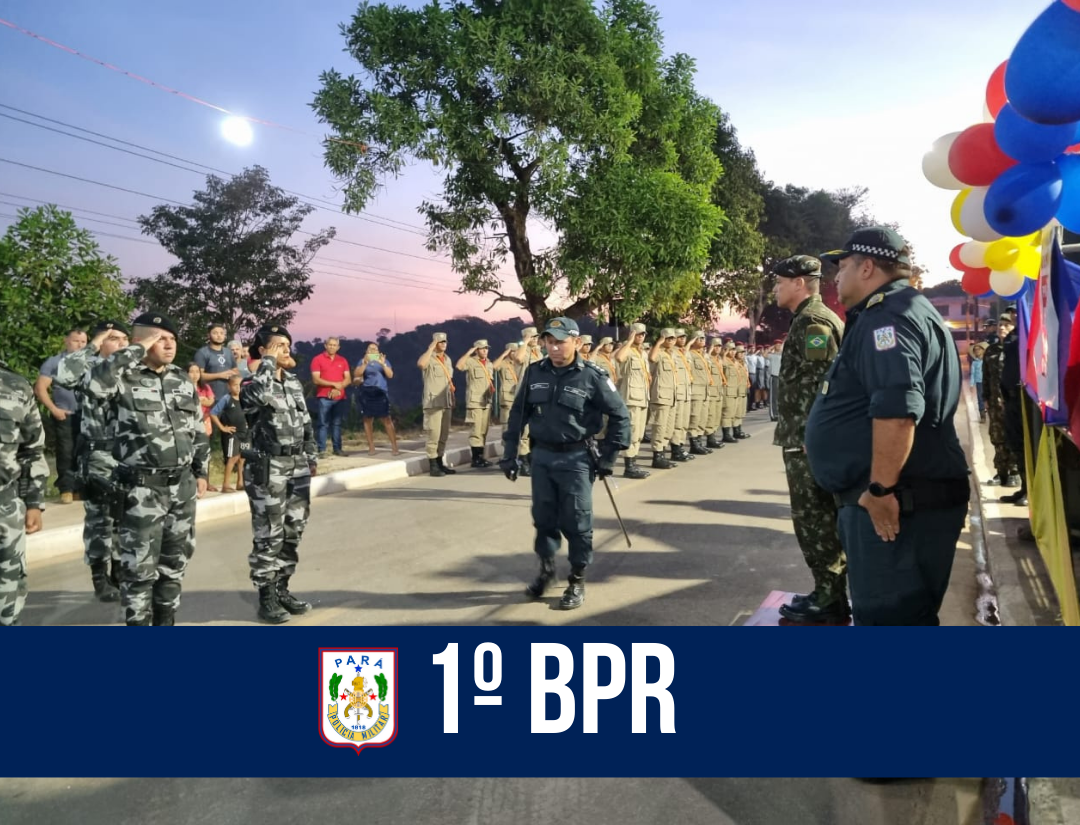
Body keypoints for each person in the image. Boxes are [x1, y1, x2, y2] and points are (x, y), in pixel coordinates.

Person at [805, 227, 970, 626]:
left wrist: (880, 489)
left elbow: (897, 409)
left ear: (866, 267)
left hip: (896, 506)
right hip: (904, 499)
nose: (836, 278)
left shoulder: (887, 319)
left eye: (841, 268)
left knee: (889, 618)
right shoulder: (903, 309)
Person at [81, 313, 210, 626]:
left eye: (172, 339)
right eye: (160, 339)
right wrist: (136, 349)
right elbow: (92, 380)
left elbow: (198, 429)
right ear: (143, 342)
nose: (168, 345)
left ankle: (165, 622)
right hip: (140, 490)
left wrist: (202, 471)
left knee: (174, 564)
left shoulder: (181, 379)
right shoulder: (121, 377)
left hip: (181, 488)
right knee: (138, 571)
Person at [499, 317, 631, 609]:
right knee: (543, 518)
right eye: (549, 341)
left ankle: (577, 579)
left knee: (577, 521)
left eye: (560, 341)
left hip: (577, 458)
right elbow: (518, 415)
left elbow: (620, 416)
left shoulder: (593, 375)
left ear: (575, 341)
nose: (554, 348)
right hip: (543, 457)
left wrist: (608, 457)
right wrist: (509, 455)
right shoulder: (535, 372)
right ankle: (546, 571)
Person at [771, 255, 848, 623]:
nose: (775, 288)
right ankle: (826, 591)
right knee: (816, 518)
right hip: (805, 435)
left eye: (780, 282)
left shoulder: (813, 322)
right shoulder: (808, 320)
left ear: (800, 282)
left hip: (808, 439)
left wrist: (813, 435)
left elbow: (824, 382)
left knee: (814, 520)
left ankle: (830, 599)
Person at [240, 323, 318, 624]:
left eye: (287, 345)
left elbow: (306, 422)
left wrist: (310, 455)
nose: (286, 350)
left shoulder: (294, 383)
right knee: (268, 535)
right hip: (268, 468)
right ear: (263, 350)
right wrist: (267, 363)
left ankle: (283, 588)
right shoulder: (252, 383)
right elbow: (256, 398)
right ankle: (267, 597)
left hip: (297, 467)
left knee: (292, 532)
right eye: (278, 346)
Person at [56, 320, 131, 601]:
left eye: (125, 338)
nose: (122, 343)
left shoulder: (131, 369)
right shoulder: (87, 367)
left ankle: (120, 571)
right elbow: (63, 375)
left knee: (125, 518)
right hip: (98, 455)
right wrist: (94, 344)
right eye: (114, 339)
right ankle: (100, 576)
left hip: (126, 456)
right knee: (100, 520)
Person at [0, 358, 48, 626]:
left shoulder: (15, 385)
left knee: (8, 602)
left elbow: (31, 449)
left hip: (5, 509)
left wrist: (33, 502)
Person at [35, 327, 87, 504]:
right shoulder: (55, 361)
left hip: (89, 416)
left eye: (83, 342)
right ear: (66, 341)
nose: (79, 345)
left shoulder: (92, 361)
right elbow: (40, 388)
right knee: (66, 452)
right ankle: (67, 488)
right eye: (75, 341)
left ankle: (82, 488)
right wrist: (54, 409)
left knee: (86, 452)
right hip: (65, 415)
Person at [982, 316, 1020, 487]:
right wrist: (986, 397)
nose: (1002, 328)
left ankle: (1014, 471)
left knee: (1012, 435)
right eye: (1000, 325)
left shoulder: (1017, 348)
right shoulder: (991, 351)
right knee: (997, 436)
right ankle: (1001, 472)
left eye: (1006, 325)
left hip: (1011, 401)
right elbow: (986, 376)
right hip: (995, 401)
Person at [613, 323, 651, 478]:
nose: (641, 337)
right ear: (631, 334)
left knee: (640, 432)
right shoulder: (627, 350)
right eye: (638, 334)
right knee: (632, 431)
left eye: (643, 334)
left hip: (642, 396)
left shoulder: (642, 353)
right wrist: (628, 341)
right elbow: (619, 357)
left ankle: (633, 463)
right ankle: (629, 466)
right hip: (631, 397)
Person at [417, 332, 457, 478]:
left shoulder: (447, 359)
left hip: (445, 401)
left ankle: (440, 462)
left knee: (443, 434)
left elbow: (448, 380)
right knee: (433, 434)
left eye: (445, 341)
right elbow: (421, 364)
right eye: (440, 341)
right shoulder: (429, 358)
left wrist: (452, 397)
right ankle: (433, 464)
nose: (443, 344)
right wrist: (431, 348)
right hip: (433, 401)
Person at [998, 308, 1027, 506]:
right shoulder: (1013, 335)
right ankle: (1025, 488)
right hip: (1011, 398)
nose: (1014, 315)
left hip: (1024, 397)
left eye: (1016, 311)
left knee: (1026, 446)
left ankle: (1030, 493)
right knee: (1016, 444)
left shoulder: (1029, 332)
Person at [353, 342, 399, 456]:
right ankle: (371, 447)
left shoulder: (383, 360)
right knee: (367, 419)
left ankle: (394, 447)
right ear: (366, 351)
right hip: (366, 391)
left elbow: (390, 375)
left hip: (380, 391)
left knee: (386, 419)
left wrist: (383, 364)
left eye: (375, 349)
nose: (373, 351)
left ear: (378, 351)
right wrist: (365, 362)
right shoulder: (362, 361)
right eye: (370, 349)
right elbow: (357, 374)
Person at [456, 339, 495, 468]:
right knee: (476, 431)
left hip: (486, 401)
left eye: (486, 348)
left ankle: (481, 457)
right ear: (477, 350)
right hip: (475, 401)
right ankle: (476, 459)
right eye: (482, 348)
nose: (485, 351)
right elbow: (459, 366)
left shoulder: (489, 363)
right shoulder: (471, 362)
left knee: (484, 431)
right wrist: (469, 352)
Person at [310, 337, 351, 458]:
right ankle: (321, 450)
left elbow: (348, 379)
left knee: (337, 424)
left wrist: (337, 389)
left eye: (335, 345)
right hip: (324, 397)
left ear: (338, 347)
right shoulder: (317, 359)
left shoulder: (342, 360)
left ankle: (337, 449)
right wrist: (333, 384)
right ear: (325, 345)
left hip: (340, 397)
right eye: (330, 344)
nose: (332, 347)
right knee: (323, 424)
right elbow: (316, 379)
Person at [512, 326, 543, 476]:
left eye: (536, 336)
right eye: (532, 336)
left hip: (539, 395)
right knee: (524, 431)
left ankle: (531, 459)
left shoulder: (539, 353)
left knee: (535, 430)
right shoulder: (523, 351)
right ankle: (523, 462)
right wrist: (524, 342)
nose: (535, 338)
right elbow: (518, 359)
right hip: (525, 394)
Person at [209, 374, 248, 492]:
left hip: (245, 432)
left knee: (242, 458)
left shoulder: (245, 399)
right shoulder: (226, 399)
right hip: (233, 433)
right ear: (229, 387)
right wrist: (222, 428)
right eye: (235, 385)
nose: (238, 388)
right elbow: (213, 413)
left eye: (240, 385)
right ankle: (225, 484)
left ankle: (240, 482)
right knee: (233, 457)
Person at [646, 329, 678, 469]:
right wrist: (658, 342)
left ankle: (662, 454)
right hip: (661, 396)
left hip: (671, 396)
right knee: (659, 427)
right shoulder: (658, 352)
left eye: (672, 338)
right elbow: (652, 358)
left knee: (668, 428)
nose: (670, 341)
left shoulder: (672, 355)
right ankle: (657, 456)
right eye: (667, 338)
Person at [685, 331, 714, 455]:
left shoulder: (703, 355)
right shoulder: (690, 354)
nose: (702, 340)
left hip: (705, 390)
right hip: (696, 390)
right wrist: (689, 344)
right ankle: (693, 443)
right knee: (695, 417)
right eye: (699, 338)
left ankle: (699, 442)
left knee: (703, 418)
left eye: (703, 338)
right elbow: (684, 356)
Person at [193, 323, 237, 400]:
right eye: (215, 333)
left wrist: (233, 374)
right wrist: (220, 375)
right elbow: (198, 376)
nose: (219, 335)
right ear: (208, 335)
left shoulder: (228, 352)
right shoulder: (202, 353)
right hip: (210, 397)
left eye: (221, 333)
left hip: (229, 396)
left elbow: (235, 370)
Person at [704, 338, 726, 448]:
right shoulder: (707, 358)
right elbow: (704, 363)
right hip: (711, 391)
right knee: (711, 415)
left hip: (718, 391)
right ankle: (710, 438)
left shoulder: (719, 359)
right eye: (715, 346)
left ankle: (713, 436)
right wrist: (708, 352)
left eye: (719, 346)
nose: (717, 348)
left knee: (717, 415)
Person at [493, 342, 521, 427]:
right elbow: (493, 367)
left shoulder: (520, 362)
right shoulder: (503, 363)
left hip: (519, 397)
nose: (515, 353)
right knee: (507, 426)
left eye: (516, 351)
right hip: (507, 398)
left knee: (519, 425)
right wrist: (503, 355)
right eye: (512, 351)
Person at [733, 345, 751, 438]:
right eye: (740, 352)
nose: (742, 354)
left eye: (743, 352)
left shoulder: (744, 363)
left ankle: (739, 429)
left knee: (741, 411)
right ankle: (735, 431)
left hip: (743, 389)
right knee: (736, 412)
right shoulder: (734, 363)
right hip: (736, 390)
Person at [767, 341, 783, 422]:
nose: (779, 346)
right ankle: (773, 414)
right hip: (774, 377)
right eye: (777, 345)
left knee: (780, 397)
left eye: (780, 345)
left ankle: (779, 413)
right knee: (773, 397)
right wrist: (771, 347)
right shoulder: (772, 355)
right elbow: (764, 355)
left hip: (781, 377)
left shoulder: (783, 355)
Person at [970, 342, 986, 422]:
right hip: (979, 382)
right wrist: (971, 384)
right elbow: (972, 374)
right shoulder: (974, 363)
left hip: (987, 382)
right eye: (975, 350)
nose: (977, 351)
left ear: (983, 350)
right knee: (980, 398)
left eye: (979, 349)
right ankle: (982, 416)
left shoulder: (987, 360)